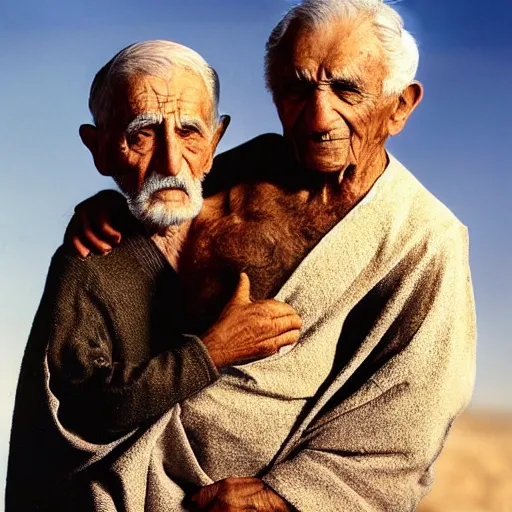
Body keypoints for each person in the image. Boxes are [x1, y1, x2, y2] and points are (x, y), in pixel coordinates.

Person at [20, 0, 478, 510]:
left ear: (401, 105)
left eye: (347, 90)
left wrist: (285, 497)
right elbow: (160, 189)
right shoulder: (244, 166)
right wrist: (107, 208)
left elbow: (411, 412)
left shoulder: (425, 239)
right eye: (297, 89)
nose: (319, 117)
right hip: (110, 473)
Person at [5, 41, 302, 511]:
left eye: (189, 132)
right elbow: (86, 407)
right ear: (100, 149)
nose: (169, 160)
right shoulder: (88, 259)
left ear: (215, 145)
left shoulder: (258, 209)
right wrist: (216, 350)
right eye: (142, 134)